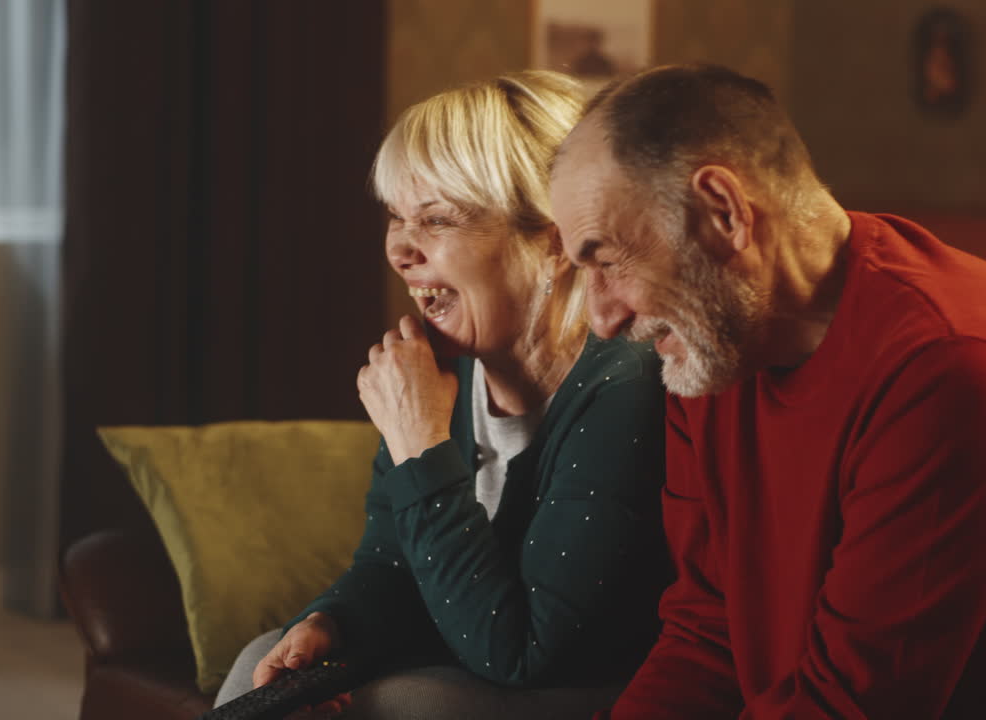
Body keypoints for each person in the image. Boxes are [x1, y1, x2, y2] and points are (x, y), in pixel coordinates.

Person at [549, 63, 986, 719]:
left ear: (724, 212)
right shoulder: (711, 347)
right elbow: (705, 632)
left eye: (608, 260)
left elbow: (854, 705)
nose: (602, 318)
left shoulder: (953, 368)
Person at [214, 70, 669, 718]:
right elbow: (390, 565)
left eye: (435, 220)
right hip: (476, 650)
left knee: (407, 705)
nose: (400, 249)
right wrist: (331, 621)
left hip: (593, 684)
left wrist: (420, 444)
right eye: (396, 218)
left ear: (552, 241)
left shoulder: (627, 386)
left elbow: (525, 654)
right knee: (262, 664)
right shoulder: (442, 378)